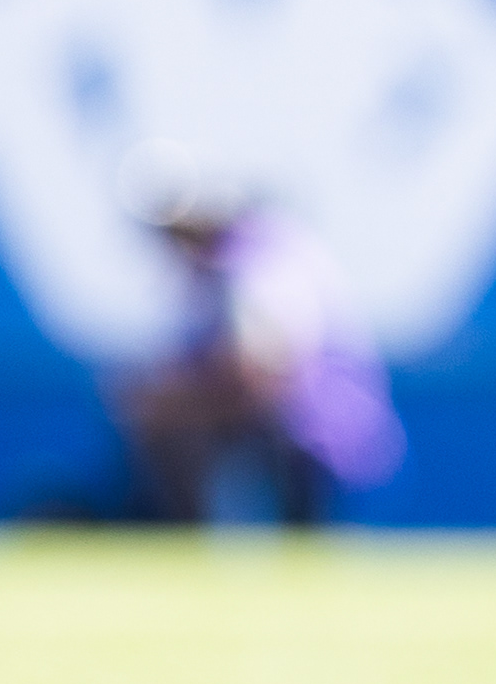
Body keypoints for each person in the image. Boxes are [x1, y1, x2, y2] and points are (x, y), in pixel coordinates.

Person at [113, 153, 401, 527]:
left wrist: (176, 400)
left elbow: (263, 364)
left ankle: (185, 533)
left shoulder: (257, 253)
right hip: (282, 414)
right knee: (156, 409)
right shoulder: (209, 271)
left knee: (166, 416)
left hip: (318, 424)